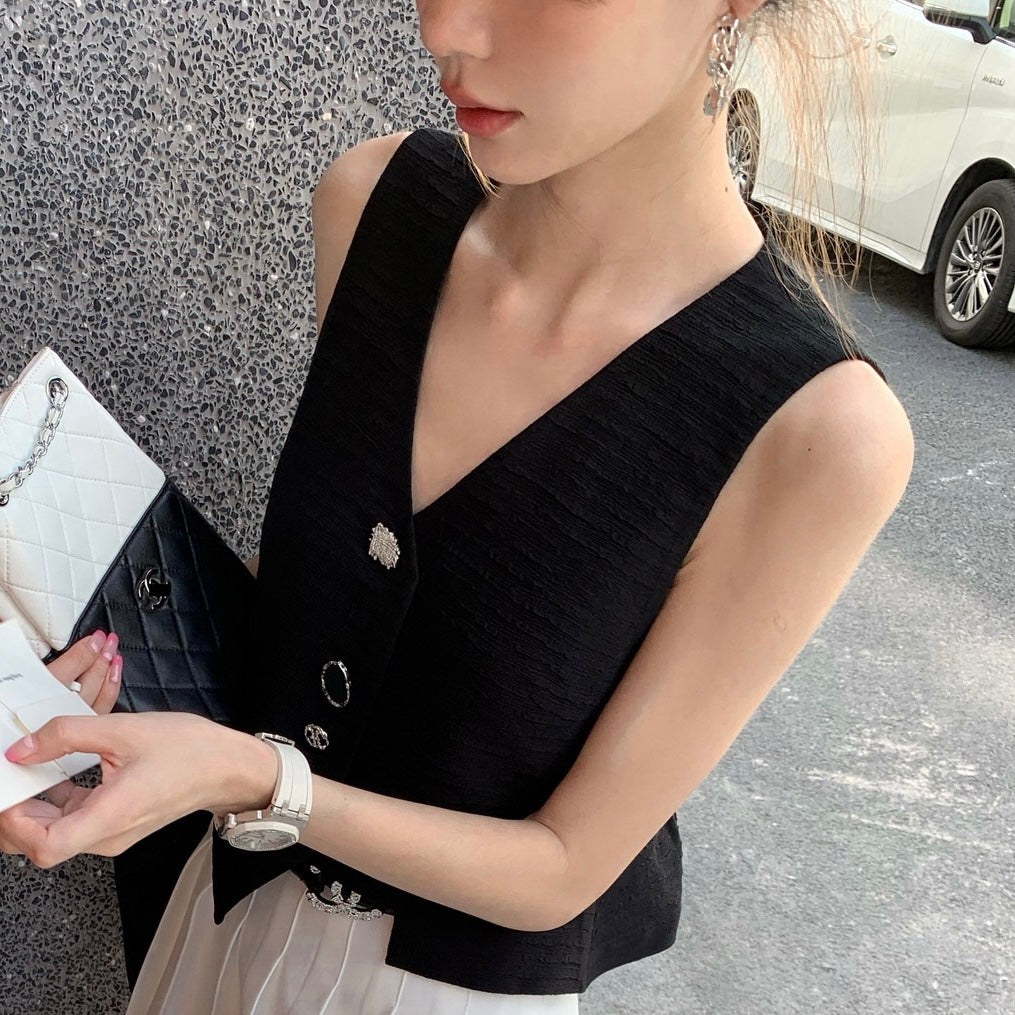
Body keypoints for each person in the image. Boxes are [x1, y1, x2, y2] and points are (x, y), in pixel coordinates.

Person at [0, 0, 915, 1012]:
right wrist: (90, 695)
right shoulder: (372, 205)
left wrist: (255, 781)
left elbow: (563, 864)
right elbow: (340, 602)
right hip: (216, 927)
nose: (446, 29)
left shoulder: (816, 431)